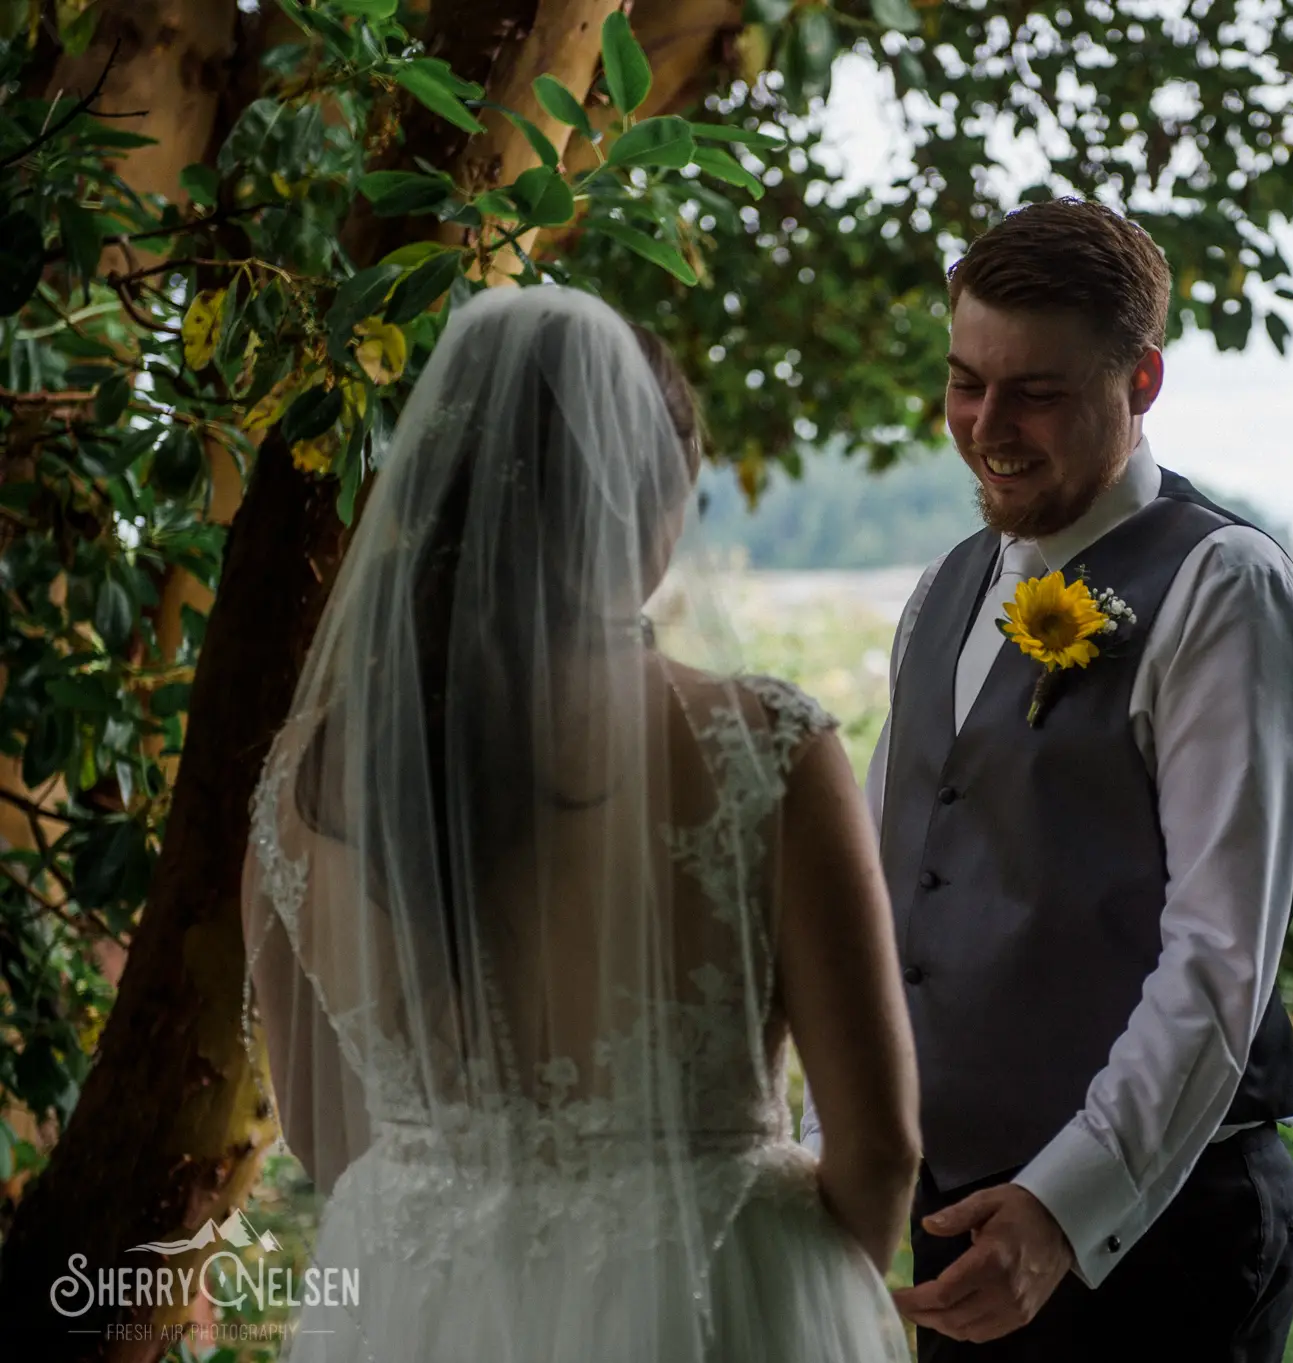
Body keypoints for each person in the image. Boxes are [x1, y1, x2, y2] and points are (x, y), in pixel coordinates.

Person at [241, 284, 919, 1362]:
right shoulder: (764, 746)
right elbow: (879, 1147)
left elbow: (325, 1136)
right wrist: (800, 1304)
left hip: (422, 1304)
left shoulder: (309, 775)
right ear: (654, 499)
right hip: (710, 1302)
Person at [803, 198, 1293, 1360]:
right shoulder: (944, 587)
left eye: (1034, 392)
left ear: (1140, 382)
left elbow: (1218, 954)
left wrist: (1062, 1205)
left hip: (1157, 1241)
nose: (987, 426)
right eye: (963, 382)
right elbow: (892, 902)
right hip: (960, 1231)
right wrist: (820, 1151)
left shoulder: (1223, 591)